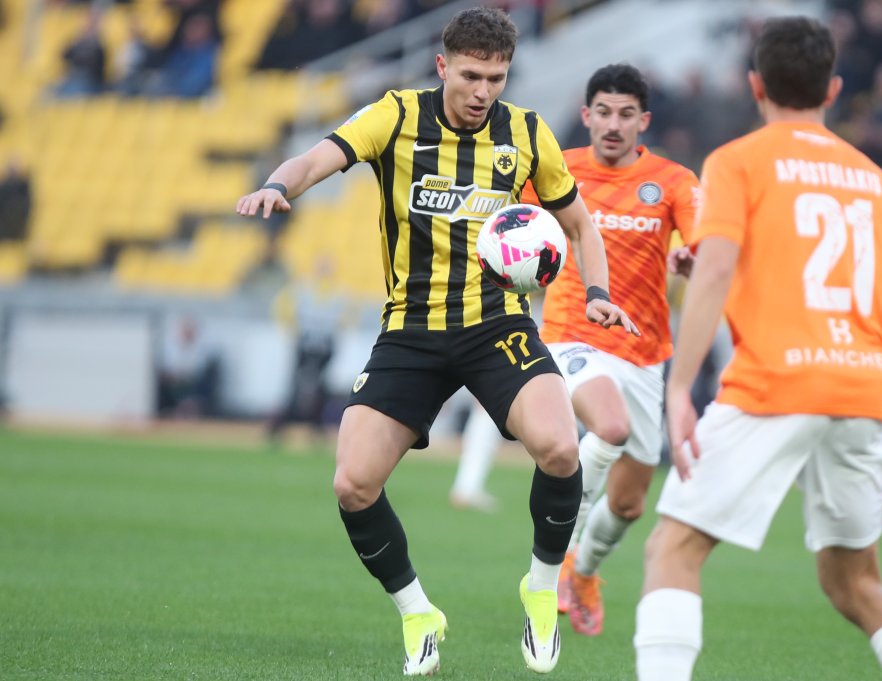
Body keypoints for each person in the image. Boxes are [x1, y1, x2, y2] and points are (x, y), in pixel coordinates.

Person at [235, 7, 637, 676]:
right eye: (472, 76)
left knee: (561, 447)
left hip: (496, 324)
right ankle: (418, 611)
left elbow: (580, 225)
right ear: (443, 65)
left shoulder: (526, 132)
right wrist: (279, 186)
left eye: (496, 79)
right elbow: (316, 158)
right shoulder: (395, 116)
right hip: (412, 330)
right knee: (353, 483)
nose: (483, 92)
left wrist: (597, 291)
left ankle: (541, 588)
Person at [635, 17, 882, 681]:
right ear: (833, 89)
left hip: (775, 383)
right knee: (855, 583)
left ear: (756, 85)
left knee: (673, 549)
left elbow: (715, 270)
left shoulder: (738, 161)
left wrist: (679, 387)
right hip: (861, 392)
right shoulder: (880, 184)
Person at [520, 64, 699, 637]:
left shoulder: (673, 181)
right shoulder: (558, 170)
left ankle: (586, 572)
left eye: (626, 114)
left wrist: (690, 256)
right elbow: (510, 221)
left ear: (643, 120)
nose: (614, 124)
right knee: (611, 426)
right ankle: (561, 553)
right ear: (587, 116)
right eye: (604, 112)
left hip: (643, 351)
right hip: (571, 333)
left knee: (627, 506)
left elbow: (703, 241)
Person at [266, 255, 346, 444]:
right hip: (306, 345)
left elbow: (344, 319)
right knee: (297, 386)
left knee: (317, 388)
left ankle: (313, 427)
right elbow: (281, 306)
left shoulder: (335, 292)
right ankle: (283, 427)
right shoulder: (305, 290)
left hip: (322, 348)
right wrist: (291, 330)